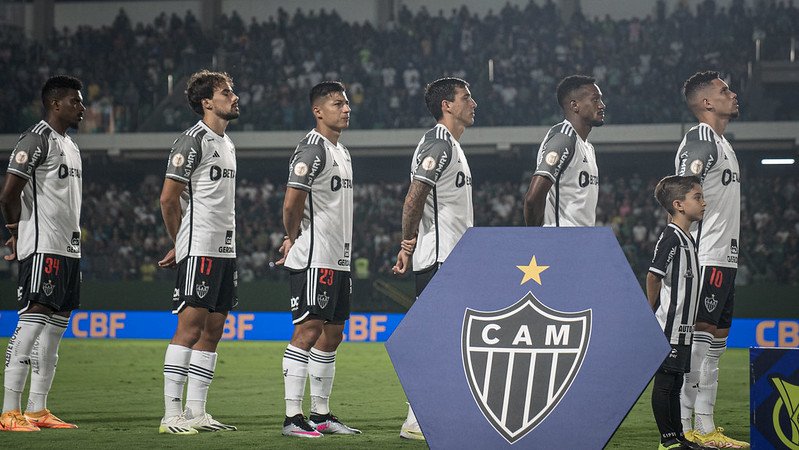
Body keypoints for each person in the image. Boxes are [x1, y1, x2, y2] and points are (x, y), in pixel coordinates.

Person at [392, 77, 477, 441]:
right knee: (438, 341)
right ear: (447, 105)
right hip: (441, 259)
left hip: (452, 259)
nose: (473, 103)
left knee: (450, 341)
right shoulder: (438, 143)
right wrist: (407, 242)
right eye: (466, 97)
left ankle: (432, 415)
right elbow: (414, 197)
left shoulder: (452, 146)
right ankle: (415, 420)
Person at [0, 75, 85, 432]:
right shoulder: (36, 139)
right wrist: (15, 231)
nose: (82, 107)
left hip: (69, 248)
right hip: (43, 246)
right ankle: (9, 411)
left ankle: (37, 409)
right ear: (55, 103)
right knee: (33, 321)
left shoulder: (71, 144)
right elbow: (8, 194)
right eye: (75, 101)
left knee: (55, 329)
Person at [157, 70, 240, 435]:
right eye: (226, 93)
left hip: (225, 248)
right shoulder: (193, 141)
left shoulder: (227, 142)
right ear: (207, 102)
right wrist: (181, 242)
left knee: (213, 330)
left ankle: (196, 412)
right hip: (201, 247)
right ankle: (170, 415)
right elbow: (168, 198)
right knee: (189, 329)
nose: (234, 97)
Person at [277, 81, 361, 438]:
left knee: (333, 335)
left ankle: (321, 415)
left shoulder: (341, 151)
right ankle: (292, 417)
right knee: (308, 331)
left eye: (347, 103)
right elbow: (291, 202)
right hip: (316, 256)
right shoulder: (312, 149)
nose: (346, 109)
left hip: (338, 258)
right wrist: (293, 237)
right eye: (338, 104)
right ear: (318, 111)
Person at [675, 71, 748, 448]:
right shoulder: (701, 139)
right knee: (698, 346)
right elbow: (680, 191)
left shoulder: (723, 143)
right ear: (706, 102)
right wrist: (681, 250)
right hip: (704, 257)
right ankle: (685, 427)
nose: (732, 95)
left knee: (715, 347)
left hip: (724, 257)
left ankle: (707, 428)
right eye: (724, 91)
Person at [647, 176, 712, 450]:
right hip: (669, 327)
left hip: (684, 328)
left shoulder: (688, 238)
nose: (704, 202)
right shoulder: (671, 237)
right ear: (678, 205)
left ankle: (679, 438)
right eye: (697, 197)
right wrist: (650, 313)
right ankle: (667, 440)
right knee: (664, 384)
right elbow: (654, 275)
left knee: (675, 385)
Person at [523, 75, 605, 227]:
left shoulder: (588, 147)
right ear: (575, 105)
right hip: (560, 238)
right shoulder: (563, 138)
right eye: (595, 100)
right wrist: (534, 236)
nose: (602, 105)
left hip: (581, 239)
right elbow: (532, 199)